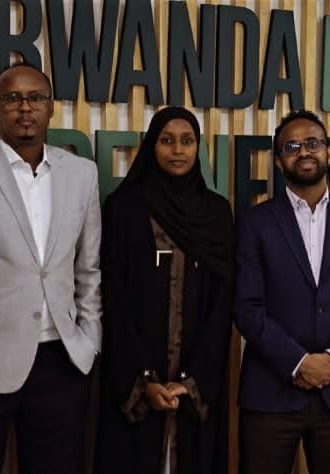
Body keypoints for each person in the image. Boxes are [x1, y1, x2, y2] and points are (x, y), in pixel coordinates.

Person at [0, 63, 101, 473]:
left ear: (51, 107)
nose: (25, 108)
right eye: (12, 98)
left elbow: (89, 269)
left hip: (62, 361)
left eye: (36, 98)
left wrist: (89, 341)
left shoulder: (82, 175)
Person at [233, 109, 330, 474]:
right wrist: (299, 362)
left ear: (329, 152)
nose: (303, 152)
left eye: (313, 143)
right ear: (278, 160)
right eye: (291, 146)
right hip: (271, 390)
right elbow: (247, 307)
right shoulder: (254, 223)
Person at [95, 107, 233, 474]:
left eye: (187, 141)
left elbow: (223, 304)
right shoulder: (124, 209)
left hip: (196, 376)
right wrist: (143, 381)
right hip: (135, 372)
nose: (177, 150)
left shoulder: (216, 213)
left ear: (197, 148)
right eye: (167, 141)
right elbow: (112, 298)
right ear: (151, 147)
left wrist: (191, 382)